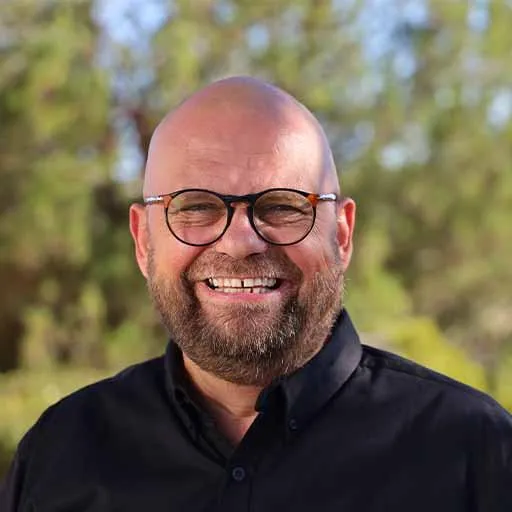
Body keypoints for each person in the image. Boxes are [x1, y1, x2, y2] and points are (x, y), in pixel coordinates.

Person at [1, 76, 511, 512]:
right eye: (195, 206)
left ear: (342, 234)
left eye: (284, 206)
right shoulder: (60, 453)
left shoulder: (477, 454)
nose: (240, 241)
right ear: (142, 240)